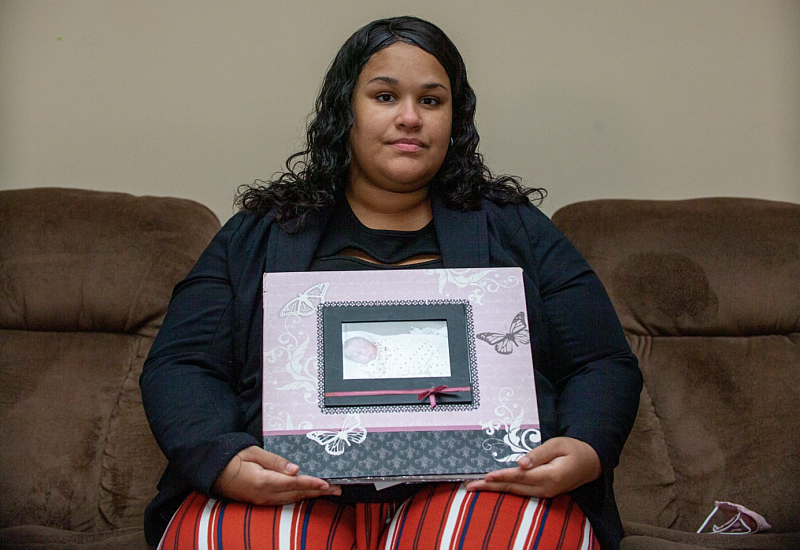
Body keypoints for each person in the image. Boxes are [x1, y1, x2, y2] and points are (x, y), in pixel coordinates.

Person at [140, 16, 642, 550]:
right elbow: (182, 364)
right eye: (384, 96)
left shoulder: (517, 230)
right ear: (344, 111)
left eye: (431, 101)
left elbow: (601, 362)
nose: (409, 118)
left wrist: (585, 448)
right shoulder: (260, 233)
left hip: (478, 490)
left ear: (456, 118)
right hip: (293, 489)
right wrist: (223, 457)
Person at [342, 333, 450, 378]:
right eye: (359, 354)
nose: (365, 352)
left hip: (414, 351)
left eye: (365, 346)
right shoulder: (366, 369)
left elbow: (395, 343)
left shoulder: (380, 344)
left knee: (430, 353)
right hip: (400, 365)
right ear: (355, 361)